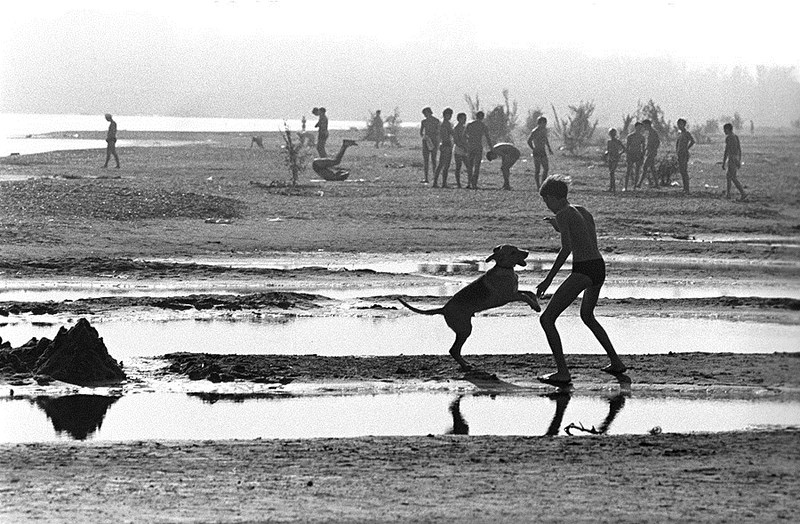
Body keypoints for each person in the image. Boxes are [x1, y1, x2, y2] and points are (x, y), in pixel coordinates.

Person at [535, 174, 627, 387]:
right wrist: (557, 225)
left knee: (547, 319)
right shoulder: (581, 211)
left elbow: (566, 248)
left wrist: (548, 280)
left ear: (554, 198)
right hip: (598, 267)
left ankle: (562, 373)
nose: (547, 205)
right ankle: (616, 362)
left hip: (584, 269)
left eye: (546, 200)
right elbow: (580, 233)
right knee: (587, 315)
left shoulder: (565, 213)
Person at [464, 111, 492, 189]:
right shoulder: (483, 125)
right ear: (482, 117)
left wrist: (468, 141)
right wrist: (491, 148)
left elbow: (464, 135)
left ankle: (469, 182)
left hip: (470, 146)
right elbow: (488, 137)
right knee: (477, 166)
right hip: (478, 146)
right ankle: (474, 183)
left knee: (470, 165)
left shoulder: (469, 124)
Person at [526, 116, 553, 190]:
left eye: (545, 123)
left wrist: (549, 148)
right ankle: (538, 186)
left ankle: (543, 184)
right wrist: (533, 148)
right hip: (537, 152)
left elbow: (545, 139)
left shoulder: (544, 130)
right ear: (539, 123)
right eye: (543, 123)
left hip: (543, 151)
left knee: (546, 168)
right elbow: (529, 141)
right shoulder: (535, 131)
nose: (544, 125)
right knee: (537, 170)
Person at [722, 123, 747, 201]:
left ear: (727, 129)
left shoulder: (729, 138)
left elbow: (727, 150)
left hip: (732, 159)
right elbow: (739, 149)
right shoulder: (735, 137)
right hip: (735, 157)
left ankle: (743, 193)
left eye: (724, 130)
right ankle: (728, 194)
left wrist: (723, 162)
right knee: (729, 176)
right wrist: (739, 160)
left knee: (732, 177)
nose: (724, 131)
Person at [433, 108, 454, 188]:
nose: (450, 116)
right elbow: (451, 133)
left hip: (443, 144)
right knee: (444, 165)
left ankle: (437, 182)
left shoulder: (441, 123)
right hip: (446, 144)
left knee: (441, 165)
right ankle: (442, 183)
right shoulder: (446, 124)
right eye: (449, 114)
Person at [420, 107, 440, 183]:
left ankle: (435, 177)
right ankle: (426, 178)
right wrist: (425, 137)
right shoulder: (424, 122)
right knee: (426, 160)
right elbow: (421, 132)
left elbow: (438, 131)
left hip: (434, 141)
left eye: (425, 113)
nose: (425, 115)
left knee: (433, 159)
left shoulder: (436, 121)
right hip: (426, 141)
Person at [675, 118, 695, 194]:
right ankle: (685, 188)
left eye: (680, 124)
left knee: (684, 171)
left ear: (684, 125)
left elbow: (692, 141)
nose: (679, 126)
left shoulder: (686, 133)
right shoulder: (680, 134)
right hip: (680, 154)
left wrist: (686, 148)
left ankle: (687, 189)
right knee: (682, 171)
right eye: (678, 124)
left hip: (684, 154)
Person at [639, 119, 660, 187]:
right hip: (649, 152)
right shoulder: (649, 133)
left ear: (647, 125)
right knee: (652, 168)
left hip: (651, 153)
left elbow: (657, 143)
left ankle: (639, 183)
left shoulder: (653, 132)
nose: (643, 127)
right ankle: (657, 184)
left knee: (645, 167)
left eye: (644, 125)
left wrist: (653, 151)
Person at [624, 122, 645, 191]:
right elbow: (627, 147)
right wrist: (627, 155)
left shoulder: (642, 137)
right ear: (635, 127)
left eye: (641, 127)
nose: (640, 129)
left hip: (638, 154)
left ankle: (635, 187)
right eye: (638, 127)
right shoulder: (630, 136)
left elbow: (643, 147)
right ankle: (625, 187)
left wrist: (642, 156)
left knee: (637, 171)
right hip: (631, 154)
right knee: (628, 171)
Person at [604, 128, 625, 193]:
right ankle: (611, 187)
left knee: (612, 172)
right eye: (611, 133)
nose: (612, 135)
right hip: (610, 158)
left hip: (615, 158)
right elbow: (608, 149)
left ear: (615, 134)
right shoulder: (609, 142)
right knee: (611, 173)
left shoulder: (618, 141)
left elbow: (624, 149)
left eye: (613, 133)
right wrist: (606, 153)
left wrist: (619, 154)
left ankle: (613, 188)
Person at [452, 112, 468, 188]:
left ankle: (469, 182)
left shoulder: (465, 127)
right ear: (459, 119)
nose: (465, 120)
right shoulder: (456, 128)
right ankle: (458, 183)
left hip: (464, 148)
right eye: (463, 118)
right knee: (458, 166)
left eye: (465, 118)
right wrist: (462, 146)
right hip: (458, 149)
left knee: (468, 166)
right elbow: (456, 140)